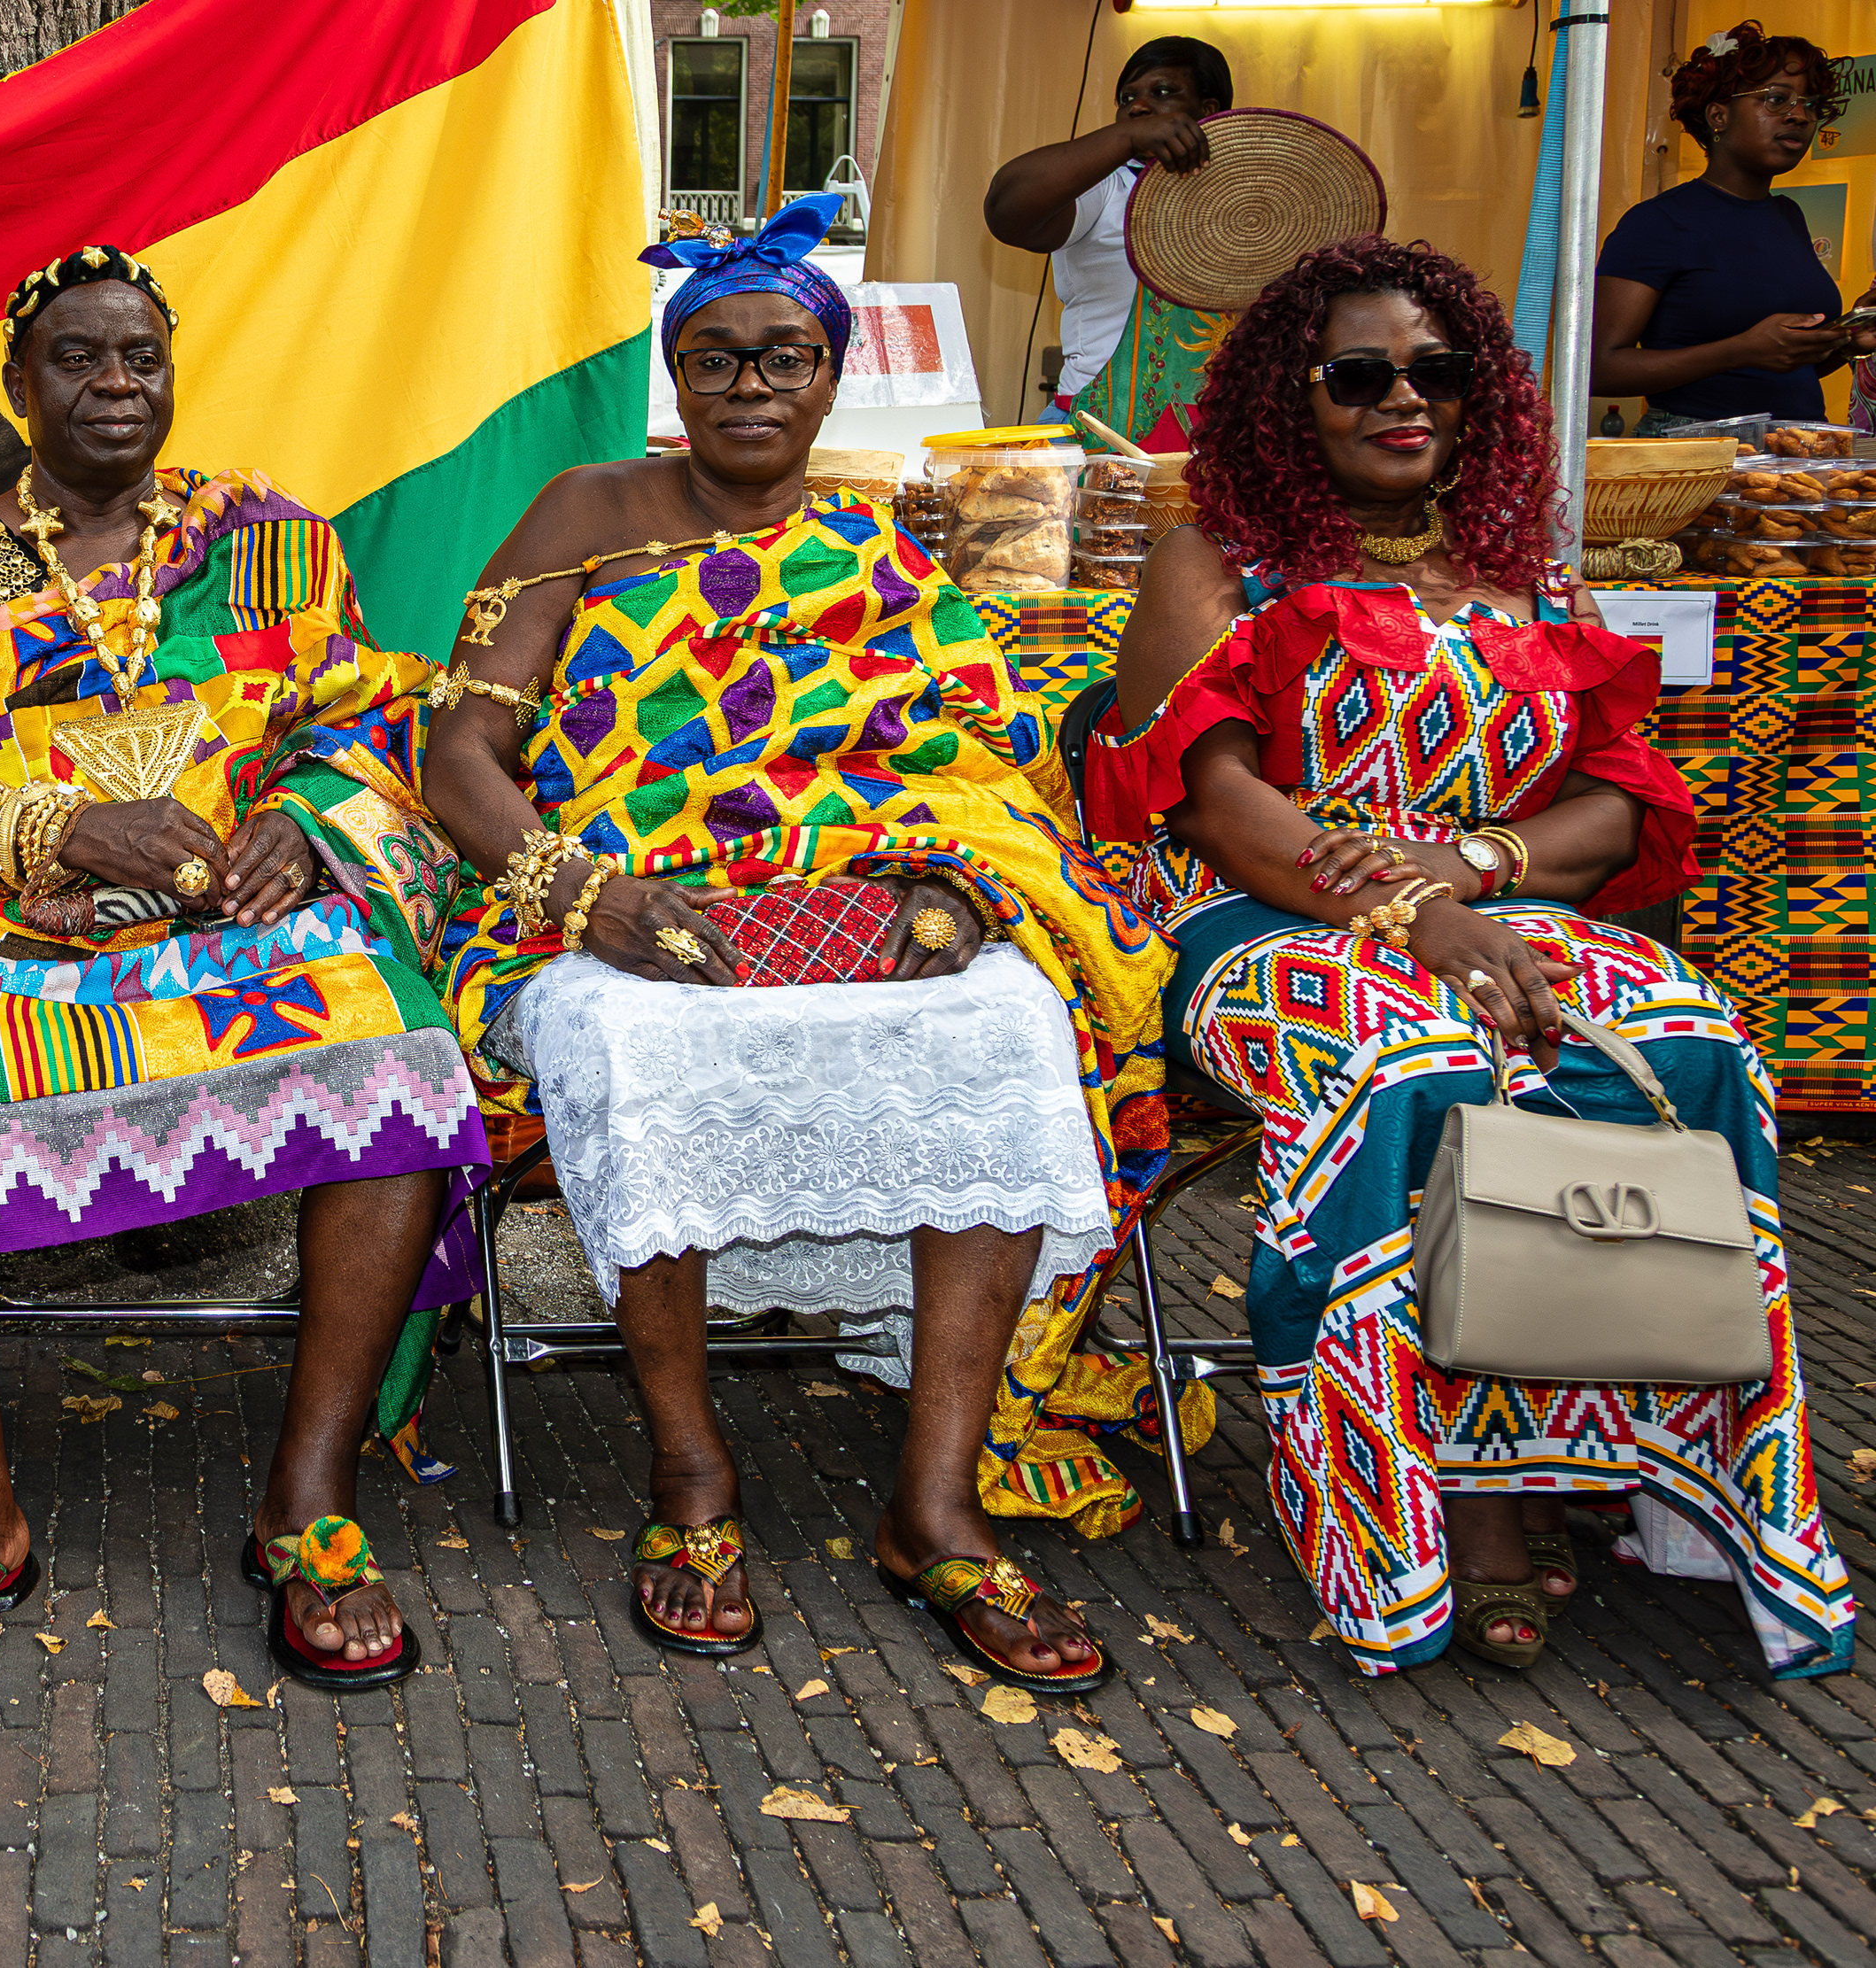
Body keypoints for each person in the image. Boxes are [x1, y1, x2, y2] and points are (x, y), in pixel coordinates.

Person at [425, 196, 1175, 1691]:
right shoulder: (584, 514)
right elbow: (461, 752)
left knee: (1009, 1026)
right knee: (638, 1045)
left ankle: (934, 1503)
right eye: (714, 360)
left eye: (784, 357)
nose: (751, 385)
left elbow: (969, 754)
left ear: (832, 379)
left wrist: (955, 894)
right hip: (618, 902)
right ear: (674, 379)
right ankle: (692, 1477)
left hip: (847, 902)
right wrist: (586, 897)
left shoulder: (869, 541)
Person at [1089, 236, 1857, 1678]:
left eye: (1437, 372)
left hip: (1488, 896)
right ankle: (1437, 1503)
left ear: (1479, 393)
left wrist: (1481, 869)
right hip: (1264, 915)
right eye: (1360, 373)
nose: (1404, 399)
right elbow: (1219, 803)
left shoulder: (1519, 571)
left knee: (1693, 1042)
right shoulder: (1224, 560)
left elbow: (1619, 797)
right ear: (1288, 397)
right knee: (1410, 1062)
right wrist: (1408, 914)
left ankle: (1638, 1464)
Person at [0, 247, 483, 1700]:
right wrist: (63, 828)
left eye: (140, 357)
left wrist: (306, 825)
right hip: (20, 918)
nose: (116, 384)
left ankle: (310, 1501)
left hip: (242, 912)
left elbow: (354, 714)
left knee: (399, 1047)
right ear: (20, 384)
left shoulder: (271, 539)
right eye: (79, 358)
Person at [1595, 22, 1876, 434]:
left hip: (1796, 448)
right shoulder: (1658, 222)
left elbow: (1780, 367)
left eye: (1811, 105)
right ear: (1718, 115)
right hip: (1695, 455)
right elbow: (1600, 370)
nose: (1800, 115)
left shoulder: (1788, 216)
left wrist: (1845, 340)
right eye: (1777, 100)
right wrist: (1739, 351)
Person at [983, 35, 1234, 453]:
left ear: (1208, 111)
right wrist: (1125, 139)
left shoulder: (1252, 208)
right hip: (1097, 435)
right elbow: (1006, 210)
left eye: (1163, 92)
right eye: (1127, 98)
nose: (1138, 106)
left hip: (1220, 442)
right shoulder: (1107, 186)